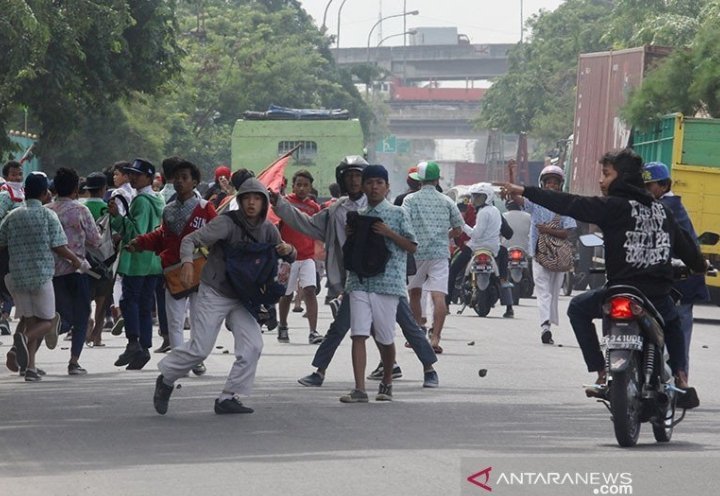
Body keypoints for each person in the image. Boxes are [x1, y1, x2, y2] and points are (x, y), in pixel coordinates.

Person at [499, 148, 706, 409]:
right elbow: (690, 253)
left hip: (619, 292)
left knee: (578, 308)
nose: (601, 180)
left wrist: (525, 190)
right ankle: (681, 381)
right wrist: (700, 266)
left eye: (606, 174)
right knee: (674, 324)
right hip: (656, 296)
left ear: (623, 177)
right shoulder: (663, 212)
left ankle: (600, 372)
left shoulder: (612, 207)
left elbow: (569, 203)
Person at [271, 156, 439, 388]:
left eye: (359, 176)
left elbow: (409, 244)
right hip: (356, 279)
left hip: (386, 279)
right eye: (349, 176)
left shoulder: (389, 210)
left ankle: (429, 369)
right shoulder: (337, 210)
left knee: (406, 324)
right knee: (342, 328)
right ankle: (320, 372)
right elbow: (308, 224)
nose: (354, 181)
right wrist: (280, 205)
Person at [152, 177, 296, 415]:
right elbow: (190, 240)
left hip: (243, 297)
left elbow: (288, 253)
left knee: (253, 346)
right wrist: (187, 262)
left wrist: (289, 249)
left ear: (264, 203)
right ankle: (166, 378)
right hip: (215, 291)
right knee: (200, 349)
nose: (252, 203)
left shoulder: (268, 229)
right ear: (240, 200)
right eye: (247, 198)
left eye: (257, 198)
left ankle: (228, 397)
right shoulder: (226, 223)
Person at [126, 159, 217, 376]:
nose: (179, 182)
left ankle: (196, 357)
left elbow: (218, 235)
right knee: (174, 321)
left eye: (184, 178)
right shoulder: (167, 210)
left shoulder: (205, 208)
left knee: (198, 320)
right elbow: (161, 236)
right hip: (173, 272)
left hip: (200, 272)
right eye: (176, 178)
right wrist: (141, 242)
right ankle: (179, 361)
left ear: (194, 182)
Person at [340, 165, 417, 403]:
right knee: (358, 334)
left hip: (388, 284)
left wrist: (388, 232)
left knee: (384, 337)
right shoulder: (357, 214)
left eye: (379, 183)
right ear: (363, 187)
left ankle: (387, 381)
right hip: (358, 281)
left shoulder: (398, 213)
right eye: (370, 182)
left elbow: (412, 246)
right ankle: (359, 389)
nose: (374, 187)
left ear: (387, 187)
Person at [0, 172, 84, 381]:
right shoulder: (48, 215)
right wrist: (75, 260)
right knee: (47, 320)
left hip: (18, 276)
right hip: (42, 275)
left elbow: (2, 242)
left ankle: (30, 368)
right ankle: (22, 339)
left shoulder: (12, 216)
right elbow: (59, 246)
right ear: (45, 192)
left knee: (31, 320)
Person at [643, 161, 708, 378]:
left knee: (677, 337)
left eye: (649, 186)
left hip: (680, 284)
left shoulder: (667, 208)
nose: (645, 190)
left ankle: (680, 380)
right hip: (665, 282)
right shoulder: (660, 205)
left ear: (664, 186)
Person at [509, 163, 576, 344]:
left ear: (560, 184)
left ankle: (547, 324)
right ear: (542, 184)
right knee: (544, 291)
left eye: (555, 182)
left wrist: (547, 230)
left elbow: (567, 232)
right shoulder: (535, 203)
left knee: (551, 292)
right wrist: (511, 173)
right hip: (539, 255)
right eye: (548, 182)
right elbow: (515, 197)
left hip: (557, 256)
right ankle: (545, 325)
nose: (551, 185)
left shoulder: (566, 204)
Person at [109, 158, 165, 370]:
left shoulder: (141, 200)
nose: (132, 177)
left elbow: (136, 231)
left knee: (129, 301)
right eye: (131, 173)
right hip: (154, 260)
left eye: (137, 174)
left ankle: (133, 342)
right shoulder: (158, 199)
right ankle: (145, 346)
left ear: (149, 178)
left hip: (137, 259)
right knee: (144, 304)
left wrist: (117, 217)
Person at [46, 168, 103, 375]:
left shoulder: (47, 210)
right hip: (77, 269)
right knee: (82, 315)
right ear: (76, 189)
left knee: (60, 312)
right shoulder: (80, 210)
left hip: (52, 271)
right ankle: (74, 361)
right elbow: (95, 241)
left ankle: (52, 326)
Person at [402, 161, 463, 353]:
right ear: (437, 180)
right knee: (439, 296)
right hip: (439, 254)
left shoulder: (410, 200)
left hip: (416, 252)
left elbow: (404, 224)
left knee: (415, 292)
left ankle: (416, 335)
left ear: (419, 180)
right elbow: (459, 229)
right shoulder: (447, 201)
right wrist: (445, 235)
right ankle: (435, 337)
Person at [447, 183, 514, 317]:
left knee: (453, 271)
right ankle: (509, 308)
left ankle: (446, 303)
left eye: (479, 197)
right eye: (475, 197)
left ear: (487, 198)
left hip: (475, 247)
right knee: (502, 276)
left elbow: (475, 234)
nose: (475, 200)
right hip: (494, 248)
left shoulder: (482, 212)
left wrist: (462, 224)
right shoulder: (496, 211)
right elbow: (507, 232)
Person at [277, 169, 323, 344]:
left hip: (308, 257)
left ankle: (313, 331)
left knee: (310, 291)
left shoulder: (314, 207)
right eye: (299, 185)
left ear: (311, 187)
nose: (302, 188)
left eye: (306, 185)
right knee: (287, 294)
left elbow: (318, 230)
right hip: (289, 258)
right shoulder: (284, 204)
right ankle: (283, 325)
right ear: (293, 186)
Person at [81, 172, 113, 347]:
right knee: (102, 300)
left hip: (84, 260)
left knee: (85, 297)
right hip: (104, 260)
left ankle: (87, 322)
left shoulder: (81, 207)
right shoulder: (108, 208)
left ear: (87, 189)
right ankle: (98, 336)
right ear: (103, 189)